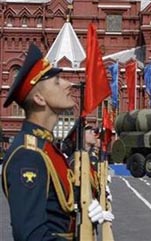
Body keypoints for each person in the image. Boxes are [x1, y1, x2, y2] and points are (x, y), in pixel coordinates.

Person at [1, 44, 113, 241]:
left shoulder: (48, 149)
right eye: (57, 81)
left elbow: (58, 211)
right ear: (39, 98)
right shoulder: (28, 155)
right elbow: (31, 236)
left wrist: (87, 207)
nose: (67, 84)